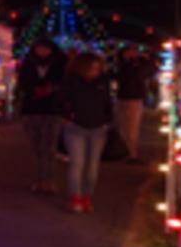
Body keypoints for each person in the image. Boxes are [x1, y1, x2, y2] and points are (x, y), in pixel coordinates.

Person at [57, 52, 113, 213]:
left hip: (98, 128)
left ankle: (86, 196)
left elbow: (107, 102)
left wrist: (107, 120)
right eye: (92, 68)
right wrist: (68, 117)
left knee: (92, 166)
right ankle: (76, 196)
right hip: (76, 127)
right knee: (77, 163)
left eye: (97, 68)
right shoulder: (71, 81)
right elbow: (60, 102)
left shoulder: (103, 81)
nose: (95, 71)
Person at [17, 39, 67, 192]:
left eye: (46, 49)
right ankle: (39, 178)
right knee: (37, 147)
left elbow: (65, 84)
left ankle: (49, 180)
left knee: (49, 147)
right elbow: (22, 84)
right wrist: (33, 90)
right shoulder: (28, 64)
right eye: (40, 48)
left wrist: (53, 88)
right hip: (32, 109)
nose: (42, 52)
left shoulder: (60, 65)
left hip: (53, 110)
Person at [114, 44, 153, 162]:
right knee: (123, 126)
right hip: (123, 96)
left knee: (131, 127)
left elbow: (143, 74)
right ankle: (124, 151)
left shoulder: (138, 64)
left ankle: (131, 153)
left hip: (134, 97)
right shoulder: (122, 64)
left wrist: (144, 60)